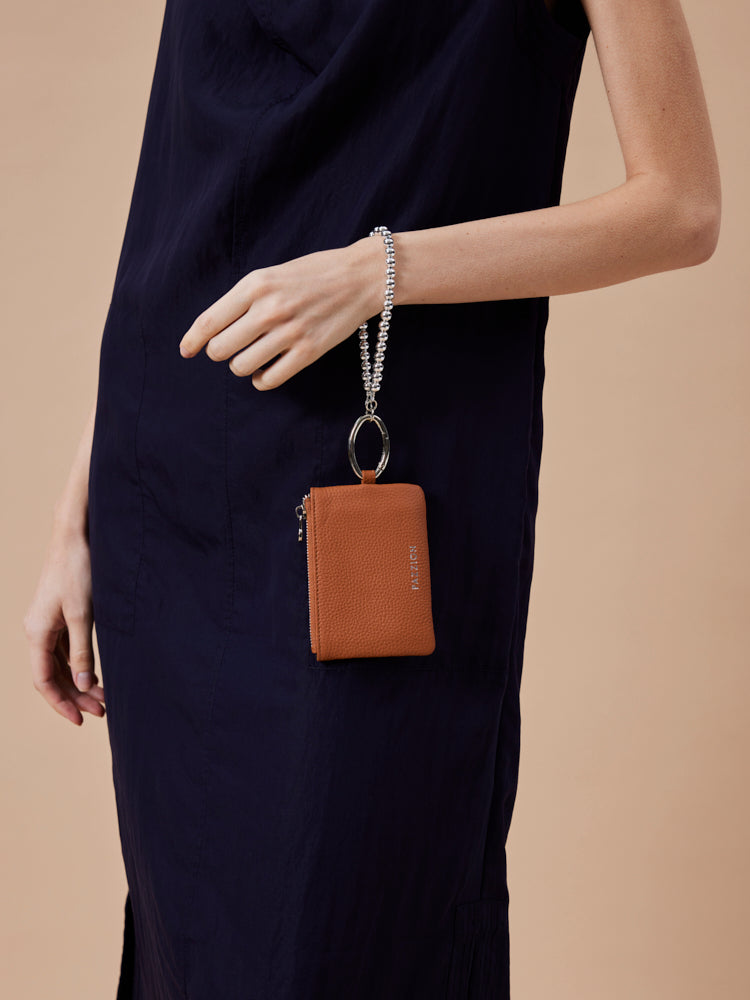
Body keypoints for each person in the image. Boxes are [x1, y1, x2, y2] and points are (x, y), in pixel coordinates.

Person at [23, 1, 720, 997]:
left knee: (360, 930)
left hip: (377, 508)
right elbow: (184, 202)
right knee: (196, 957)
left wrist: (380, 268)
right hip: (170, 498)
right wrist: (78, 513)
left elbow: (681, 208)